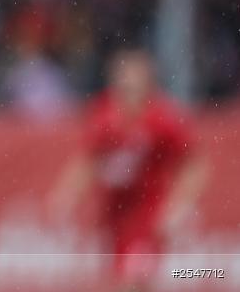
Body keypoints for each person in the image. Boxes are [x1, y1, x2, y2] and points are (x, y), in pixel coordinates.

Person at [49, 47, 207, 291]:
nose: (127, 94)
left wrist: (180, 204)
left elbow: (193, 165)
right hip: (115, 214)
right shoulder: (104, 115)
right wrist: (66, 196)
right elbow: (89, 160)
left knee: (134, 281)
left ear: (148, 86)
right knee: (122, 280)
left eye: (134, 86)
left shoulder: (162, 119)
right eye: (122, 86)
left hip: (148, 213)